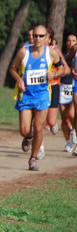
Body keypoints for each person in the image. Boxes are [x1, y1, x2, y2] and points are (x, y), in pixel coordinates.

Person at [9, 25, 66, 171]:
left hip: (42, 95)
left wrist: (55, 74)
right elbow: (12, 68)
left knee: (38, 127)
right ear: (32, 37)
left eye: (41, 36)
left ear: (47, 37)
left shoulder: (51, 53)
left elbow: (63, 69)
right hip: (26, 95)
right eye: (36, 36)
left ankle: (33, 159)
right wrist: (19, 80)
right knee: (24, 129)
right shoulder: (23, 52)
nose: (38, 39)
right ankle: (28, 137)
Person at [59, 33, 76, 152]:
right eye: (69, 41)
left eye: (73, 41)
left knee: (71, 114)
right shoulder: (63, 56)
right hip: (63, 87)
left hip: (73, 86)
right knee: (64, 117)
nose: (71, 43)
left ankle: (74, 131)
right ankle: (68, 142)